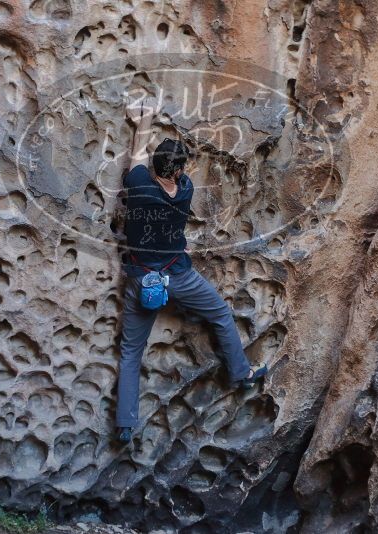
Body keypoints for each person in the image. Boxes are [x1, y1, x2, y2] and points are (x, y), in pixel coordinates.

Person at [114, 96, 267, 443]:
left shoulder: (138, 184)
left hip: (141, 280)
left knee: (130, 352)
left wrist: (143, 123)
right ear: (179, 171)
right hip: (179, 276)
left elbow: (136, 156)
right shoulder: (185, 189)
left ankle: (125, 424)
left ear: (154, 168)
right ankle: (241, 373)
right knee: (221, 316)